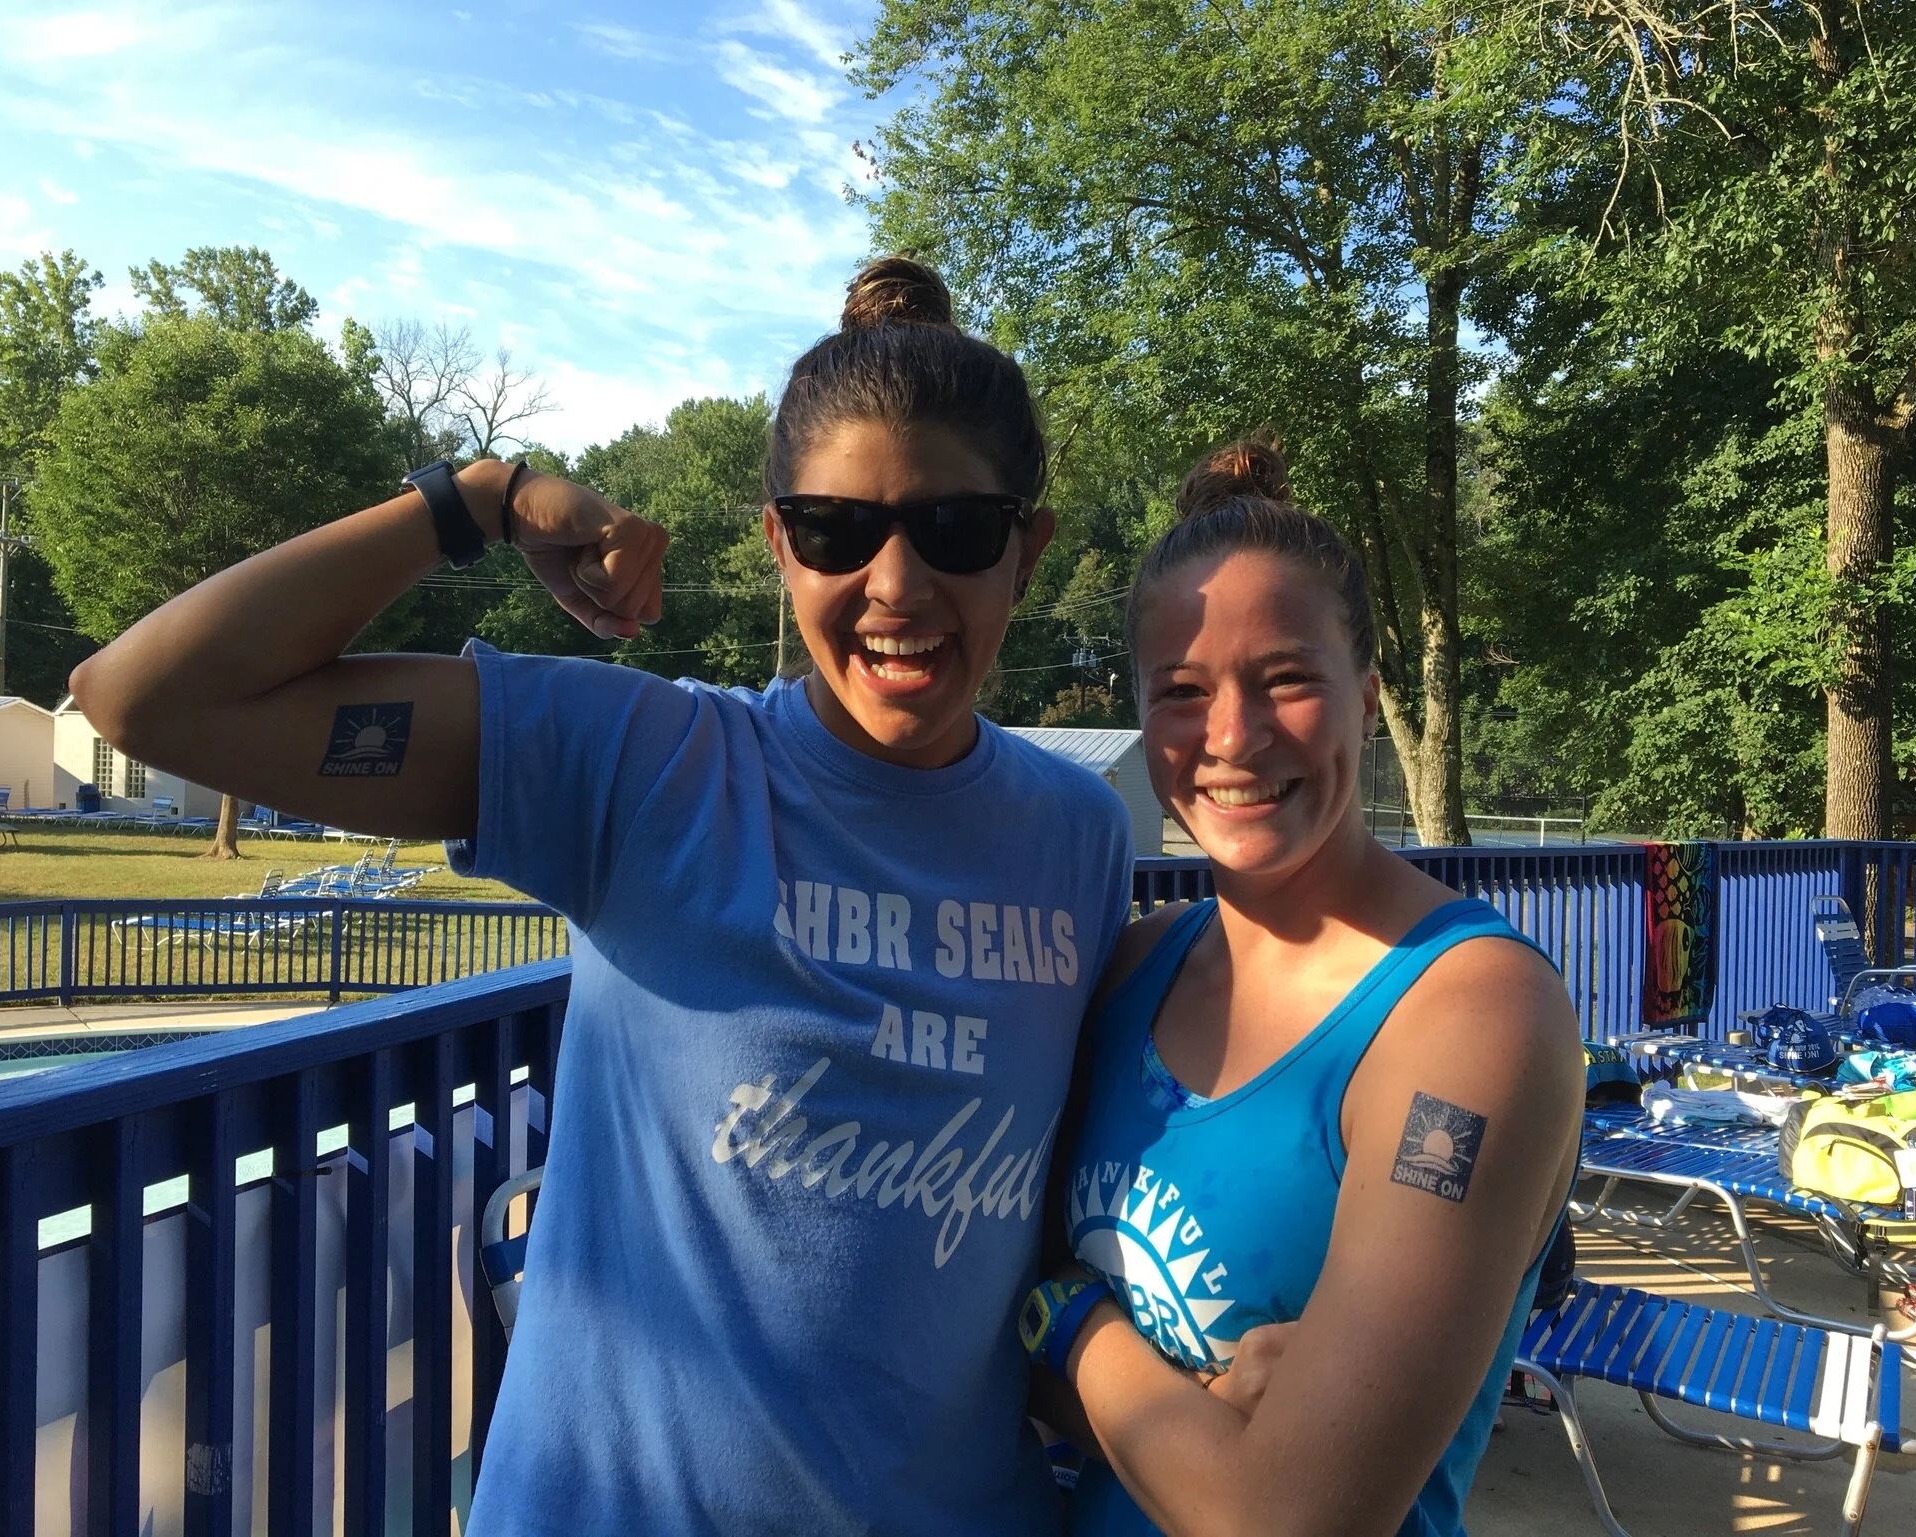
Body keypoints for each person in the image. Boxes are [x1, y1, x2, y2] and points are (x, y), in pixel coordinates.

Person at [70, 257, 1137, 1534]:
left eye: (957, 532)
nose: (895, 589)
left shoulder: (1078, 835)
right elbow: (143, 697)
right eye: (835, 532)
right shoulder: (640, 765)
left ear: (1030, 550)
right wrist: (477, 499)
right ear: (777, 547)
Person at [1019, 439, 1584, 1537]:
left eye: (1285, 679)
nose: (1232, 738)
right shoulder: (1135, 965)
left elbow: (1289, 1516)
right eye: (1183, 693)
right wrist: (1200, 1421)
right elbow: (988, 1339)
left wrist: (1069, 1319)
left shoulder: (1472, 1015)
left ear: (1366, 700)